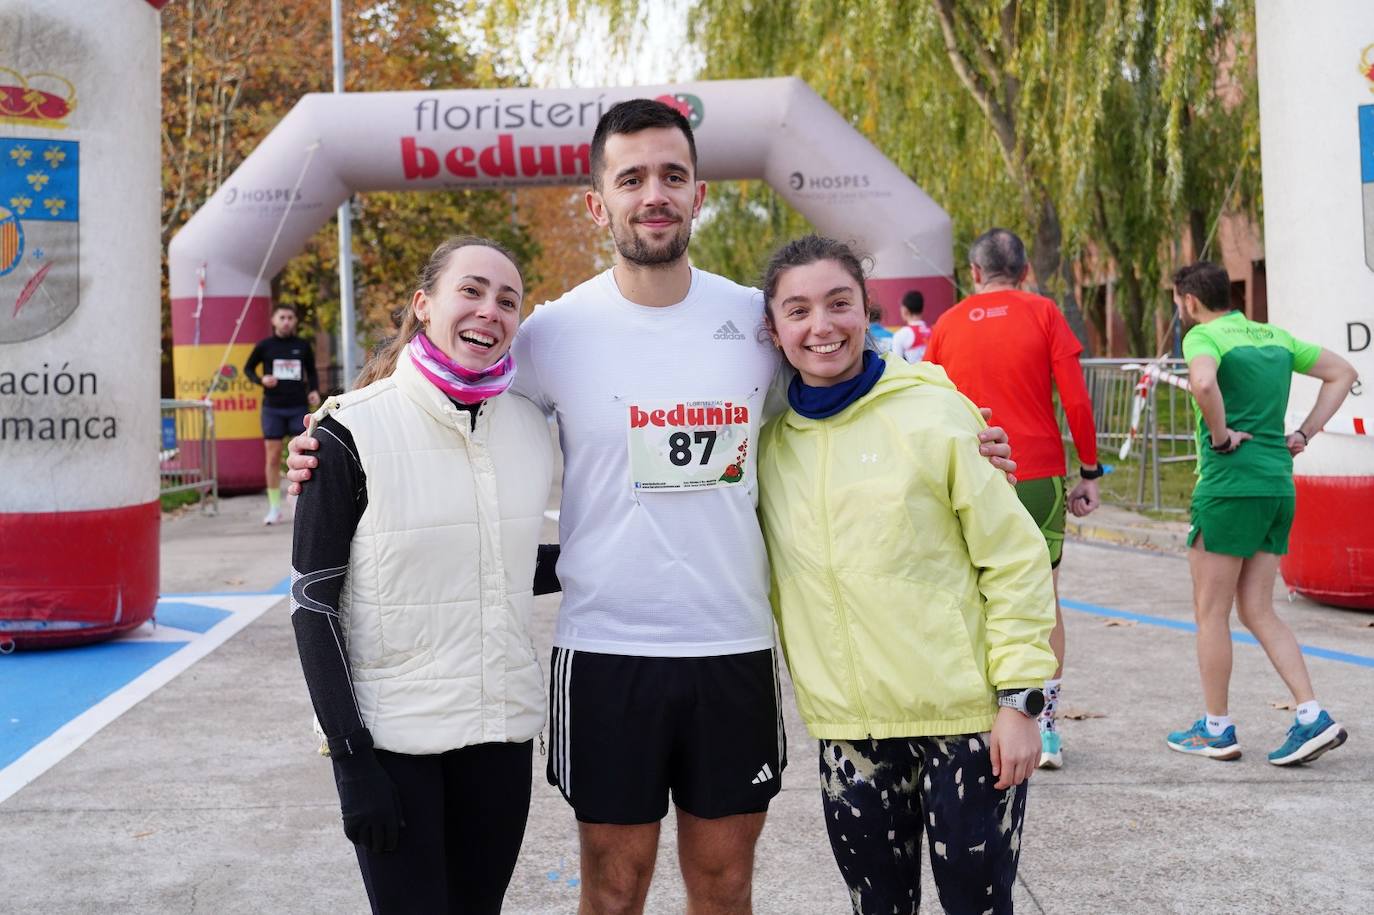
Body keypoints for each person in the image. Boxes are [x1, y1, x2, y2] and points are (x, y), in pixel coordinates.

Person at [288, 99, 1018, 915]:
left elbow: (868, 376)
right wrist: (336, 430)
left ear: (699, 193)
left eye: (672, 175)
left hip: (731, 648)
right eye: (630, 178)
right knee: (613, 887)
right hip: (605, 655)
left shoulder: (755, 319)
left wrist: (970, 425)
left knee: (723, 884)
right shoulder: (550, 333)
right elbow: (443, 397)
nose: (654, 194)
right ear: (599, 203)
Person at [756, 235, 1057, 914]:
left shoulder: (935, 412)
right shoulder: (767, 446)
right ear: (772, 330)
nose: (821, 326)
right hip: (849, 731)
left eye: (839, 303)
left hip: (966, 725)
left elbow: (1013, 558)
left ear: (867, 311)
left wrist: (1020, 701)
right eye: (797, 310)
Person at [289, 236, 559, 914]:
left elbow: (508, 562)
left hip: (499, 740)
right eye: (470, 290)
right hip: (394, 746)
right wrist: (351, 761)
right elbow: (312, 605)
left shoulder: (528, 428)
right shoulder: (345, 432)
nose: (489, 311)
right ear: (424, 304)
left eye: (507, 299)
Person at [924, 227, 1103, 770]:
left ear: (974, 273)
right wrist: (1090, 471)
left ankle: (982, 724)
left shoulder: (948, 323)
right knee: (1042, 599)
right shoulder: (1044, 312)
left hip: (970, 474)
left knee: (972, 597)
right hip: (1038, 474)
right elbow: (1074, 396)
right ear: (1025, 271)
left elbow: (927, 400)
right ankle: (1043, 727)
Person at [1165, 261, 1355, 766]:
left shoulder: (1204, 336)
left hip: (1229, 486)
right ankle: (1311, 714)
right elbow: (1344, 373)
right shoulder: (1275, 334)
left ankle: (1216, 728)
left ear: (1188, 301)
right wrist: (1304, 434)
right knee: (1257, 608)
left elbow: (1204, 385)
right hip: (1276, 485)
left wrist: (1222, 437)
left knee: (1211, 612)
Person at [244, 303, 320, 524]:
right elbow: (248, 368)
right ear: (274, 321)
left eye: (290, 317)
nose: (286, 321)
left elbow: (312, 371)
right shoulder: (265, 346)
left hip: (298, 406)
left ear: (295, 321)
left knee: (304, 457)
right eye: (282, 317)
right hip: (273, 408)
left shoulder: (303, 345)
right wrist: (261, 380)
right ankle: (274, 507)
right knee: (274, 457)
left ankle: (300, 502)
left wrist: (313, 391)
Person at [888, 289, 931, 363]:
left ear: (905, 310)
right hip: (934, 373)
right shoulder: (933, 331)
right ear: (922, 309)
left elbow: (897, 365)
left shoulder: (902, 334)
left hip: (914, 373)